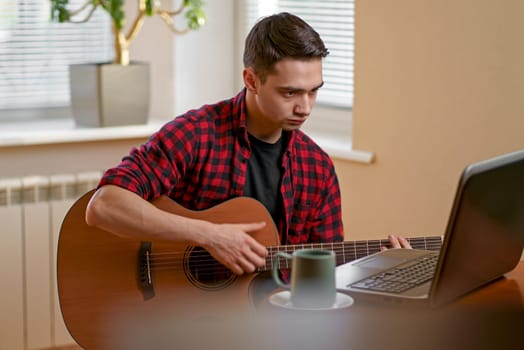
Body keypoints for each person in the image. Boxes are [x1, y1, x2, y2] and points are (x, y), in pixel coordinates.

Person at [86, 12, 410, 279]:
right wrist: (208, 235)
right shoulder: (196, 134)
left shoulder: (317, 167)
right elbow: (104, 206)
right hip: (182, 320)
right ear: (252, 80)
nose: (306, 107)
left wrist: (377, 267)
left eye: (314, 91)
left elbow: (323, 275)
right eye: (290, 93)